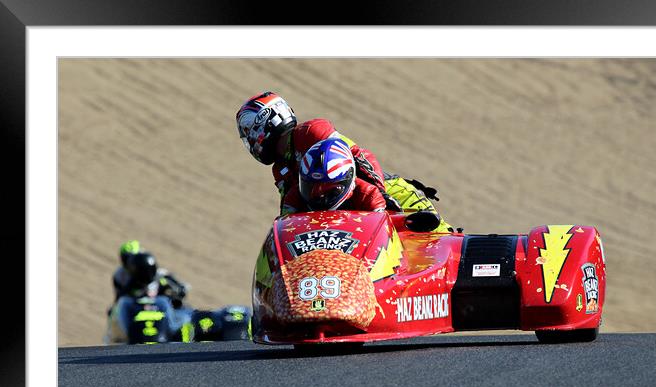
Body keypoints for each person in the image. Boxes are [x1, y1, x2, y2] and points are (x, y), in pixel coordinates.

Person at [236, 91, 453, 231]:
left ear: (266, 121)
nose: (249, 139)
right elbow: (292, 213)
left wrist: (383, 196)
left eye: (248, 130)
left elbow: (360, 156)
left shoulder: (311, 132)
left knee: (439, 236)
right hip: (346, 214)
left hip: (388, 191)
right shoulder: (281, 169)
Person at [106, 242, 192, 343]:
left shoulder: (157, 271)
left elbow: (178, 286)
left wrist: (179, 291)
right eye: (127, 258)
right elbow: (120, 296)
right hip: (135, 308)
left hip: (159, 307)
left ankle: (185, 342)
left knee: (186, 312)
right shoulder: (120, 275)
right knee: (113, 313)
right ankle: (114, 339)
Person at [281, 138, 386, 214]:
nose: (321, 196)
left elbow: (384, 232)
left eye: (330, 190)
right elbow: (282, 230)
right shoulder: (294, 197)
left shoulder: (369, 196)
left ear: (349, 178)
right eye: (311, 188)